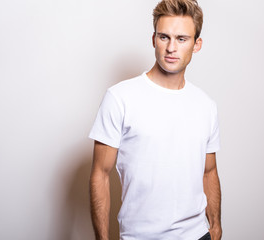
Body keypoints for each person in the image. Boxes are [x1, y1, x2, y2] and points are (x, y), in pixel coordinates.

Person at [88, 0, 222, 239]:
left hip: (198, 235)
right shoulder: (120, 98)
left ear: (196, 44)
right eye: (164, 37)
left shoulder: (206, 105)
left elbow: (209, 171)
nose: (171, 47)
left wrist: (216, 226)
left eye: (182, 39)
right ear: (153, 40)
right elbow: (100, 173)